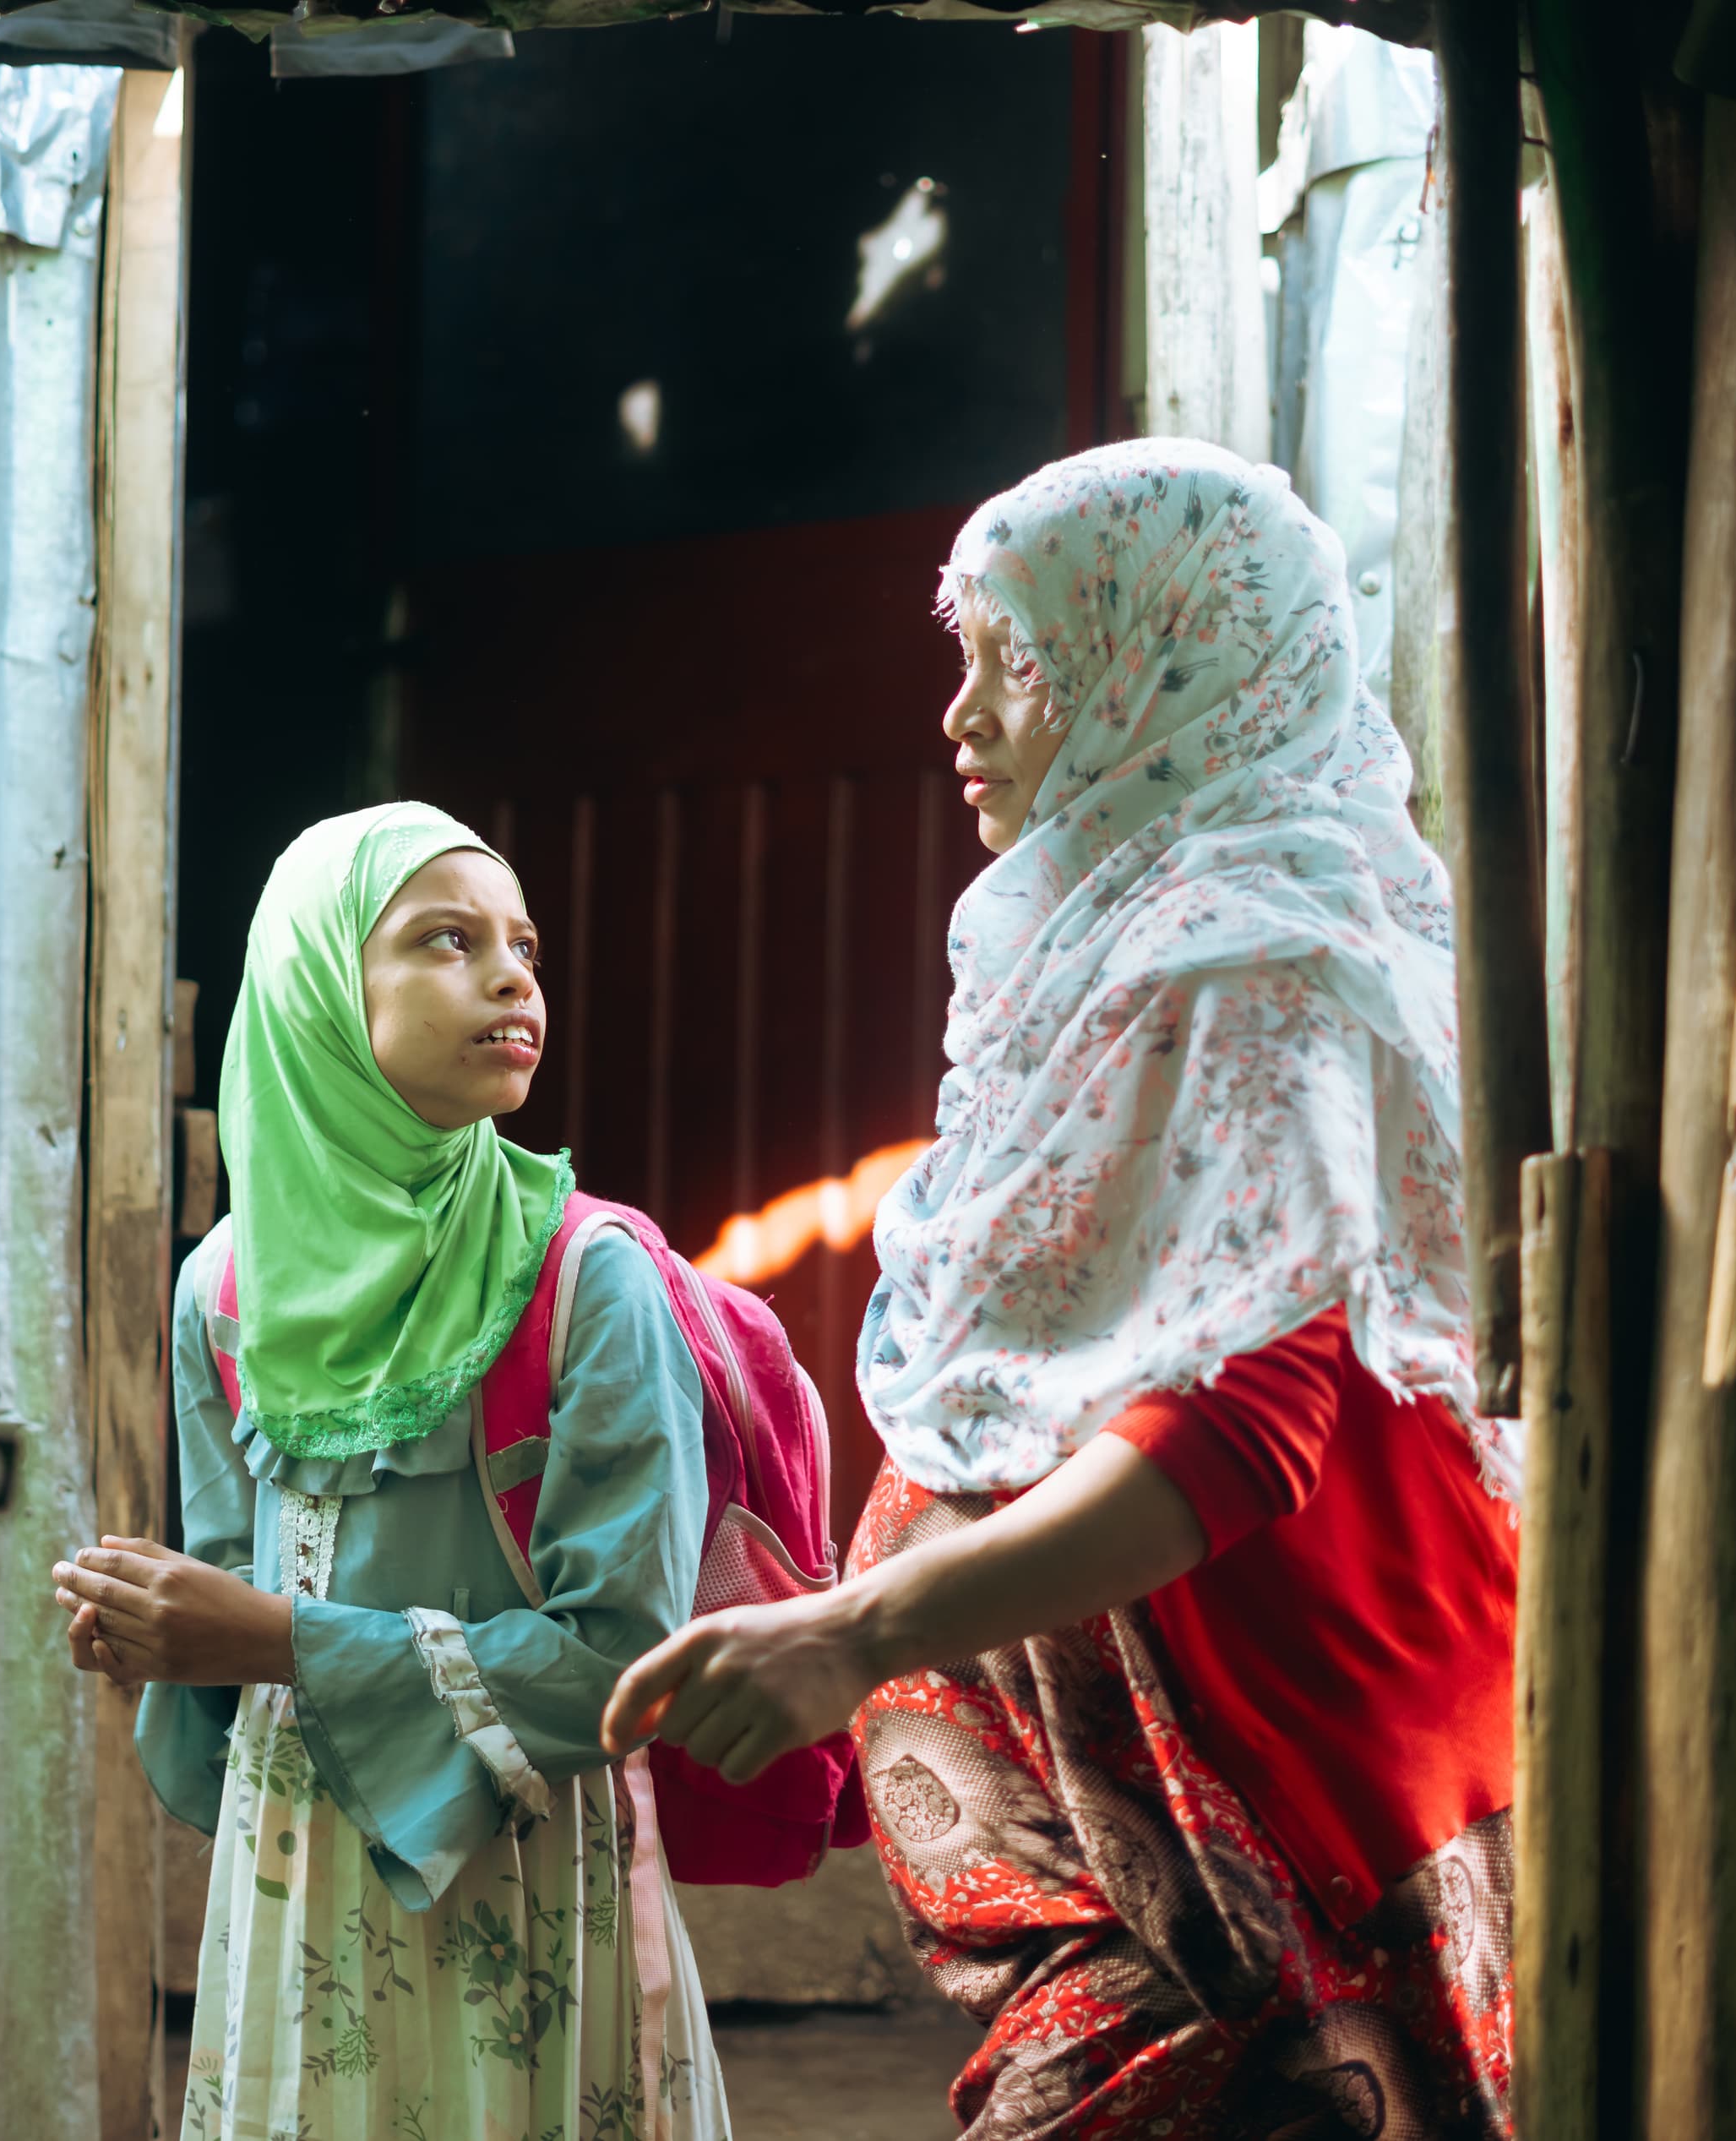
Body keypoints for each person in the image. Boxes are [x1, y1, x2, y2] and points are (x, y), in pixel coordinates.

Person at [605, 441, 1519, 2140]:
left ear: (1157, 668)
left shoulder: (1253, 969)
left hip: (1277, 1858)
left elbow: (1241, 1435)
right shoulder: (1118, 956)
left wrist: (860, 1630)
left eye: (1010, 663)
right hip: (1161, 1872)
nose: (961, 717)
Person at [53, 802, 731, 2141]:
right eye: (445, 940)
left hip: (526, 1877)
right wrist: (160, 1634)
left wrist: (274, 1637)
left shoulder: (590, 1279)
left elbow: (626, 1658)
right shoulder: (222, 1287)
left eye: (523, 946)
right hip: (298, 1878)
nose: (512, 976)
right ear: (314, 986)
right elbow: (237, 1604)